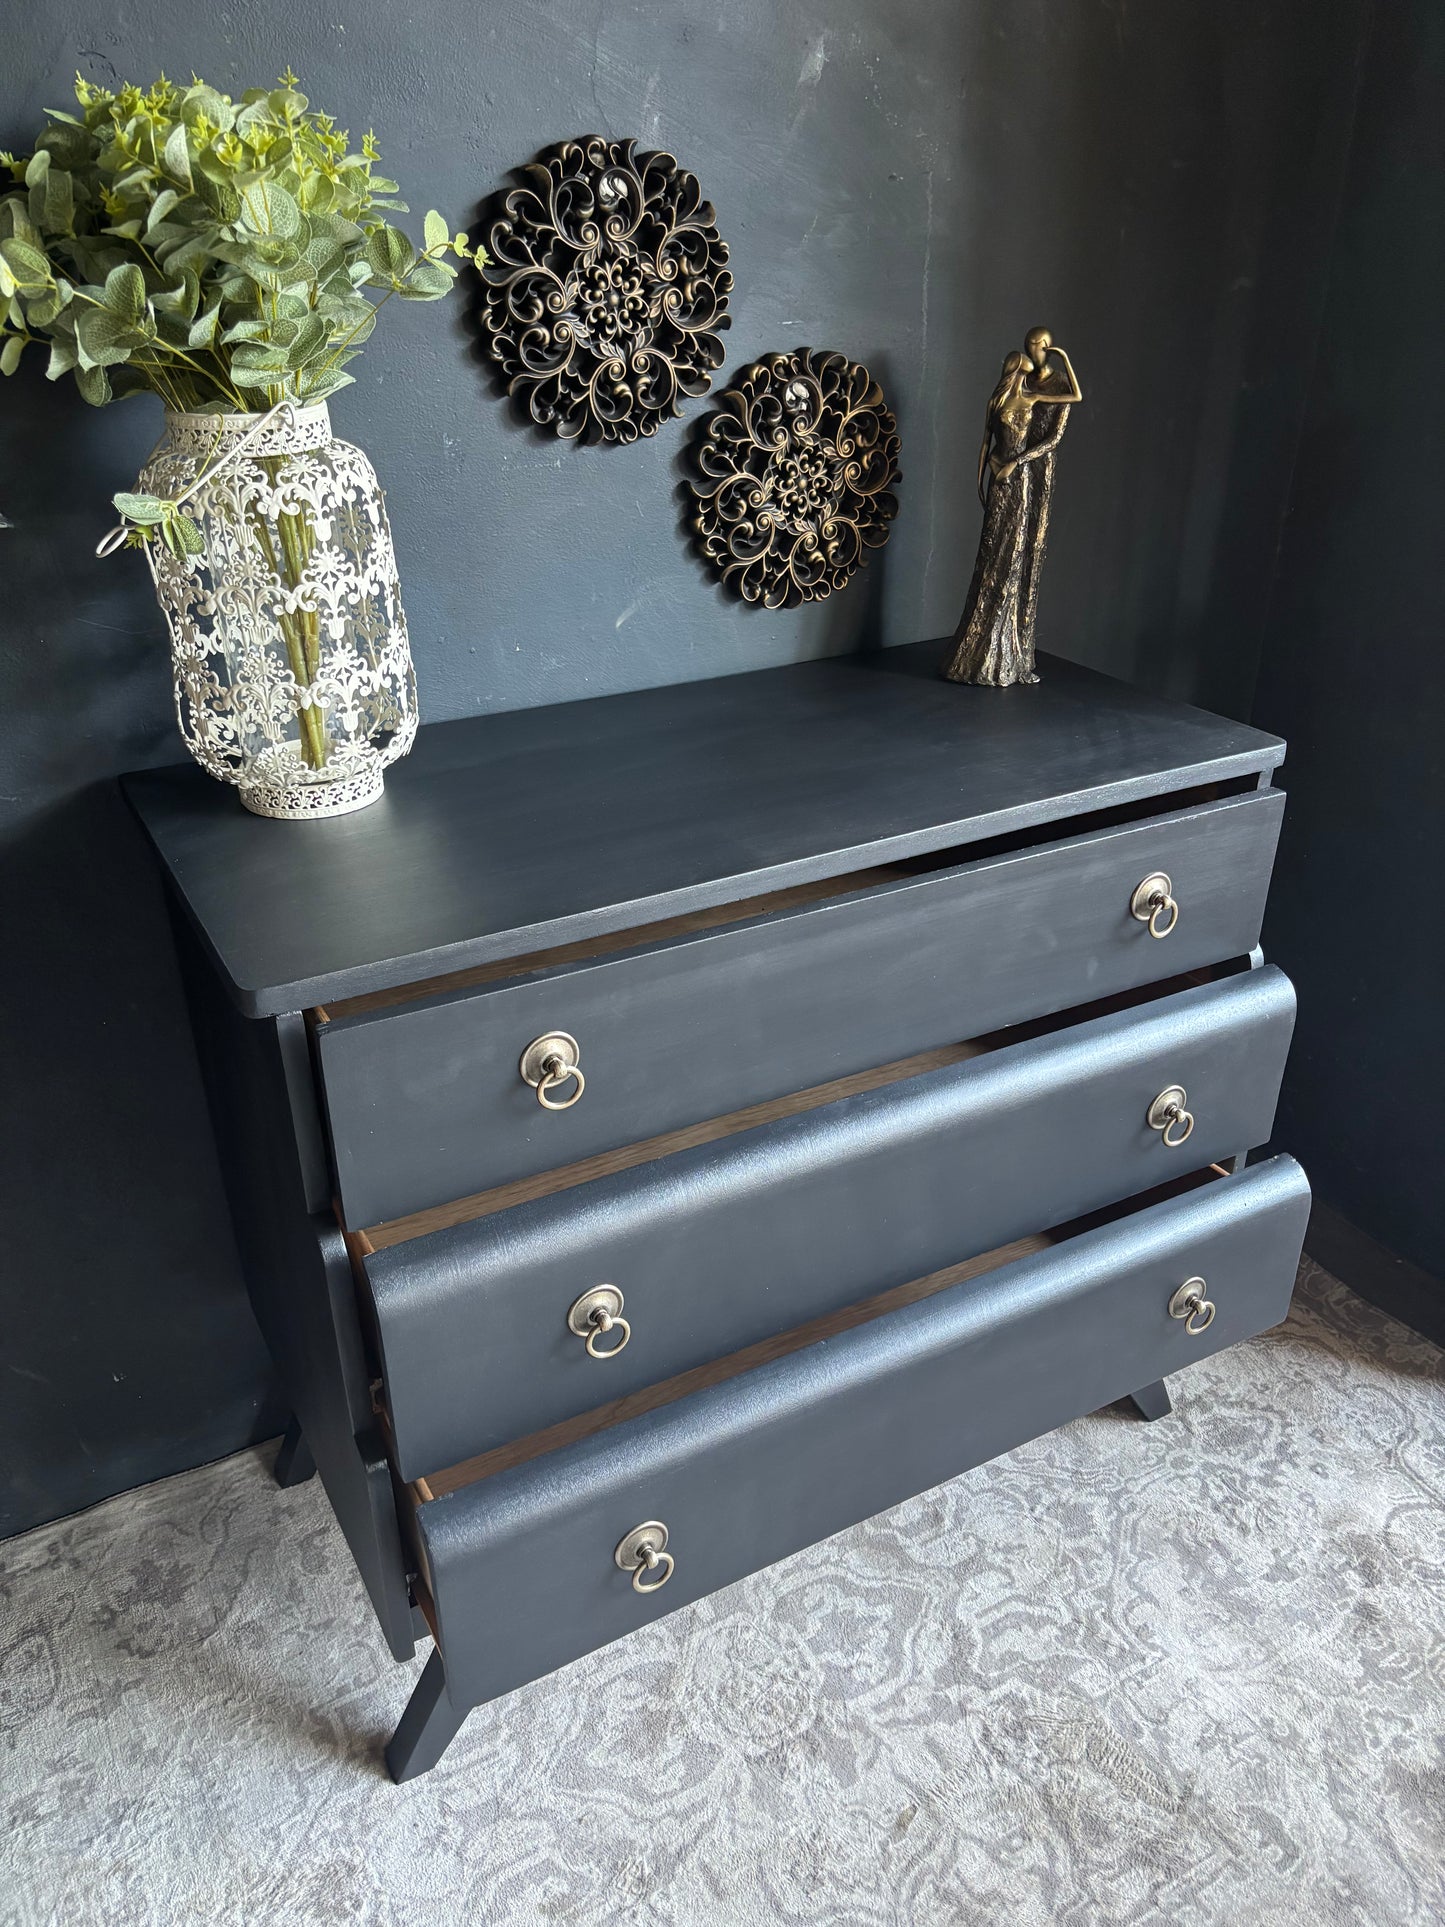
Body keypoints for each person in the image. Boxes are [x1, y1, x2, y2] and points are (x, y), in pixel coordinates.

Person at [942, 328, 1082, 687]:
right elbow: (987, 441)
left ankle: (1012, 655)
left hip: (1027, 475)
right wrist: (983, 477)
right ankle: (979, 653)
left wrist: (1064, 358)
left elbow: (1059, 426)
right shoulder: (1008, 396)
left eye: (1039, 347)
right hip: (1005, 477)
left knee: (1022, 552)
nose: (1032, 355)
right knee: (995, 553)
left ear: (1047, 347)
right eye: (1027, 351)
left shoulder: (1041, 393)